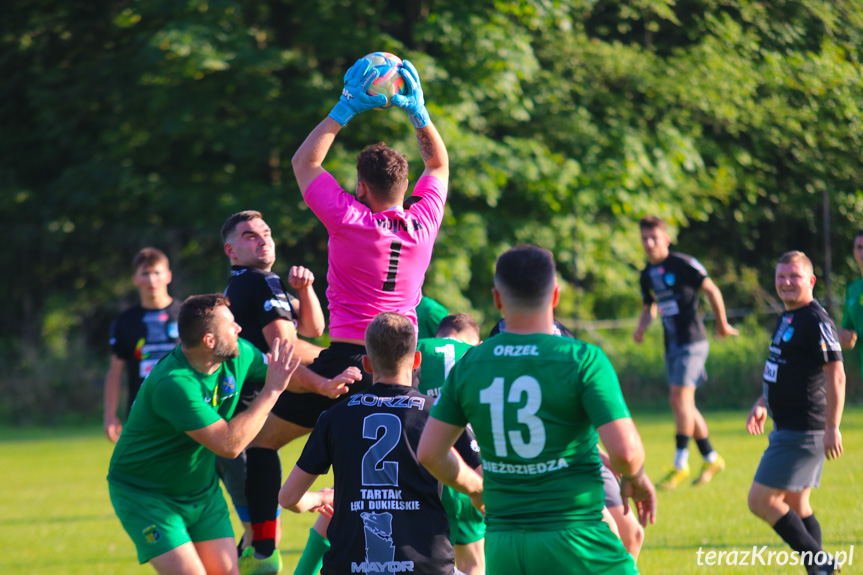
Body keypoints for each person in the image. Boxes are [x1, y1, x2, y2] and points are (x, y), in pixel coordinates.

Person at [242, 55, 449, 574]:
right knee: (381, 486)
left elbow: (304, 164)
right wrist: (418, 113)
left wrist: (345, 108)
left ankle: (266, 550)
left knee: (260, 444)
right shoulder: (423, 222)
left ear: (361, 187)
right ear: (405, 189)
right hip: (402, 367)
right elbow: (439, 167)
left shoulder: (350, 219)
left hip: (347, 364)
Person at [418, 245, 656, 575]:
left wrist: (474, 487)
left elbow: (430, 452)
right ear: (555, 295)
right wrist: (638, 479)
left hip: (503, 546)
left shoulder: (470, 364)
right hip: (576, 538)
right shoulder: (582, 359)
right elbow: (627, 454)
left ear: (497, 299)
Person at [107, 294, 301, 575]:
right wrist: (272, 390)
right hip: (147, 497)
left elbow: (285, 369)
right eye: (231, 325)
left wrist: (329, 383)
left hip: (201, 492)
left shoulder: (239, 354)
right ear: (209, 341)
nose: (239, 329)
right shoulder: (174, 384)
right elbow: (229, 445)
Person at [280, 312, 475, 575]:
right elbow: (486, 486)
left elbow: (289, 498)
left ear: (367, 364)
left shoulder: (335, 416)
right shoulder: (438, 414)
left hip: (348, 568)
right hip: (427, 567)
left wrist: (321, 497)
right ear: (417, 360)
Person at [489, 303, 645, 561]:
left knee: (632, 534)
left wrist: (602, 454)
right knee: (608, 539)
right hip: (544, 471)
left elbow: (572, 412)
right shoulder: (501, 337)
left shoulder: (565, 336)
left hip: (580, 453)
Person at [219, 210, 327, 555]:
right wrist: (327, 375)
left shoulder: (248, 284)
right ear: (230, 250)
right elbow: (288, 348)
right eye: (250, 235)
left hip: (242, 420)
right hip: (245, 418)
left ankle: (324, 497)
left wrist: (307, 291)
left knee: (262, 541)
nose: (263, 239)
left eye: (266, 232)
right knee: (261, 543)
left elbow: (312, 330)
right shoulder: (258, 282)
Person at [746, 251, 844, 575]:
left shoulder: (816, 319)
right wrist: (763, 402)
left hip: (804, 429)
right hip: (788, 424)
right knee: (797, 506)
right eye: (781, 277)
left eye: (794, 276)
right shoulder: (788, 316)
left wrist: (833, 427)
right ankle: (818, 570)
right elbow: (781, 368)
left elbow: (837, 374)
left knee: (760, 501)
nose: (786, 282)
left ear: (811, 281)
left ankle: (822, 566)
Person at [633, 215, 738, 489]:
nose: (649, 243)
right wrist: (641, 328)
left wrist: (722, 324)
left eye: (654, 237)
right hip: (672, 344)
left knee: (678, 398)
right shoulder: (646, 274)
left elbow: (712, 290)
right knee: (684, 404)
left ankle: (680, 463)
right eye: (644, 238)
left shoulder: (683, 264)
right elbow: (649, 306)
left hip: (693, 341)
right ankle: (711, 458)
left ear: (666, 239)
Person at [415, 313, 485, 574]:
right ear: (475, 342)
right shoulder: (479, 354)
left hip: (419, 472)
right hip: (468, 471)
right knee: (473, 563)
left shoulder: (417, 348)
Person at [104, 247, 181, 443]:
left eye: (157, 272)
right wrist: (110, 414)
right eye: (145, 274)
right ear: (135, 279)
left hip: (184, 408)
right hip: (142, 414)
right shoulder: (125, 321)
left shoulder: (186, 315)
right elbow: (115, 371)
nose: (152, 280)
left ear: (168, 276)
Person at [839, 230, 863, 365]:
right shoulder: (852, 290)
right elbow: (846, 332)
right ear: (854, 252)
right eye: (859, 247)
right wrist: (845, 340)